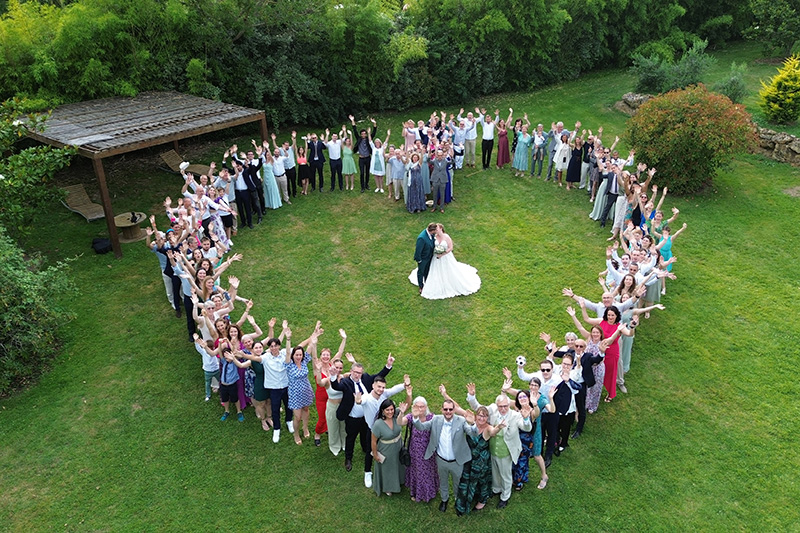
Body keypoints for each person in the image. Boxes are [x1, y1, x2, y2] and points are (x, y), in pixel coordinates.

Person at [329, 354, 394, 488]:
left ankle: (366, 450)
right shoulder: (346, 382)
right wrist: (333, 376)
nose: (358, 375)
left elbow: (380, 375)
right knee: (351, 438)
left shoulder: (366, 379)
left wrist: (388, 365)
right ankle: (348, 458)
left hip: (366, 418)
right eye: (355, 372)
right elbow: (336, 387)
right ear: (351, 372)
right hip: (352, 418)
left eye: (360, 373)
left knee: (366, 437)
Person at [466, 385, 534, 509]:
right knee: (495, 471)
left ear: (509, 405)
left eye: (505, 406)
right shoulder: (492, 409)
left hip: (506, 451)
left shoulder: (515, 415)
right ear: (497, 405)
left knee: (505, 474)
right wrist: (471, 396)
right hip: (492, 449)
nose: (503, 409)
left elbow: (526, 428)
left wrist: (525, 418)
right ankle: (496, 489)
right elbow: (478, 408)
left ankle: (505, 496)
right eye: (500, 406)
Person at [412, 395, 475, 514]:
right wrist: (415, 417)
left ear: (454, 410)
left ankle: (457, 500)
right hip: (441, 460)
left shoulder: (461, 421)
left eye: (451, 409)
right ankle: (444, 500)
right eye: (445, 409)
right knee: (443, 482)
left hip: (457, 461)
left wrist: (472, 424)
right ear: (442, 410)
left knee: (457, 483)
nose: (448, 412)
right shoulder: (436, 420)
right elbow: (421, 427)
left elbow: (473, 433)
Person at [576, 302, 633, 403]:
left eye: (612, 315)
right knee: (596, 371)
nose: (610, 317)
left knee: (610, 374)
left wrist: (632, 327)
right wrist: (583, 307)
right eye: (609, 315)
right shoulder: (601, 321)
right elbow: (587, 319)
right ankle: (592, 391)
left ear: (617, 315)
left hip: (611, 353)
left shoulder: (620, 326)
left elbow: (629, 334)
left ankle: (611, 394)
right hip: (599, 350)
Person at [409, 224, 481, 300]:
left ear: (441, 228)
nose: (436, 231)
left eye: (437, 229)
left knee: (446, 271)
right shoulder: (433, 236)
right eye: (435, 230)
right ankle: (423, 284)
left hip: (445, 257)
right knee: (428, 270)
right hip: (433, 258)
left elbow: (450, 247)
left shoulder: (446, 237)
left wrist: (442, 253)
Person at [401, 396, 439, 503]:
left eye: (422, 406)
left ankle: (429, 492)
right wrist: (401, 413)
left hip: (428, 450)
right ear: (413, 407)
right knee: (417, 471)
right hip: (415, 450)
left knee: (428, 471)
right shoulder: (410, 417)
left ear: (426, 407)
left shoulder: (432, 417)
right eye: (417, 406)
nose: (420, 409)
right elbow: (400, 422)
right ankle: (417, 492)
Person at [371, 399, 408, 496]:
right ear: (382, 411)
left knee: (399, 464)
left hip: (398, 446)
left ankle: (400, 480)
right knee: (388, 468)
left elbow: (406, 405)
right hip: (386, 450)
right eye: (387, 410)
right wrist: (375, 454)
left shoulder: (396, 415)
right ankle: (388, 487)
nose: (390, 412)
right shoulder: (378, 424)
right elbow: (374, 441)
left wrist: (409, 394)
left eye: (392, 409)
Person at [412, 222, 437, 294]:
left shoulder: (431, 235)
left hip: (429, 257)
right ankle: (421, 286)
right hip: (423, 259)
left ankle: (427, 282)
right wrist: (419, 260)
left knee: (427, 270)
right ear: (431, 230)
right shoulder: (422, 238)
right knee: (421, 272)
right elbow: (418, 250)